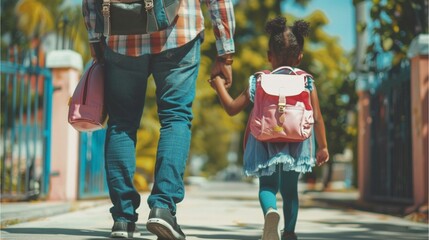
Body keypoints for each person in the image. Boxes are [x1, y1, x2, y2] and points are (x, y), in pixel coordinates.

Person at [82, 0, 235, 239]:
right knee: (176, 118)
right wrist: (225, 53)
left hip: (122, 37)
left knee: (121, 124)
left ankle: (122, 219)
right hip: (179, 33)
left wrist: (94, 38)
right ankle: (162, 208)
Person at [209, 16, 329, 240]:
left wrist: (217, 84)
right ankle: (290, 233)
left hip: (264, 139)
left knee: (267, 186)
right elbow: (318, 118)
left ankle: (270, 212)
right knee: (290, 191)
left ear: (268, 56)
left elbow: (232, 108)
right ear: (300, 57)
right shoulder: (306, 81)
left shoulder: (259, 80)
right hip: (297, 141)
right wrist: (322, 147)